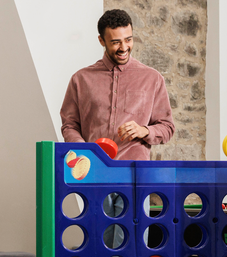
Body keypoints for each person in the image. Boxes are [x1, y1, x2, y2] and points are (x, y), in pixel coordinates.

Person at [60, 9, 175, 161]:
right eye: (116, 42)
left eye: (128, 39)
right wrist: (84, 150)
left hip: (135, 173)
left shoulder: (152, 78)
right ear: (101, 41)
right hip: (93, 169)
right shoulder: (80, 79)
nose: (124, 47)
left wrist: (144, 130)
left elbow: (167, 127)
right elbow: (69, 125)